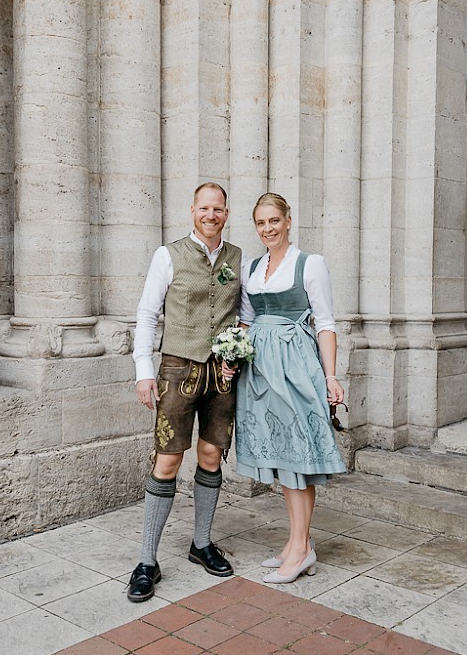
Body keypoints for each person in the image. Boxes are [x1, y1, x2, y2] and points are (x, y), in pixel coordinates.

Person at [128, 182, 254, 602]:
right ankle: (147, 560)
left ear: (226, 213)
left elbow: (246, 313)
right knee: (167, 460)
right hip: (176, 368)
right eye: (204, 208)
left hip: (221, 374)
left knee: (211, 454)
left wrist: (239, 345)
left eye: (218, 209)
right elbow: (147, 314)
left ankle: (201, 543)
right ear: (193, 211)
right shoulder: (168, 255)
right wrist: (143, 371)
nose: (211, 215)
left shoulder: (238, 258)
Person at [231, 192, 347, 584]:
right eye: (261, 223)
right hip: (260, 371)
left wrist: (331, 376)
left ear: (288, 220)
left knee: (300, 455)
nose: (268, 229)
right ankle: (299, 542)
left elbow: (325, 323)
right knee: (283, 454)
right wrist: (234, 356)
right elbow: (246, 320)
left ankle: (300, 549)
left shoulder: (309, 264)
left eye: (274, 221)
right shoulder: (252, 267)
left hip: (296, 365)